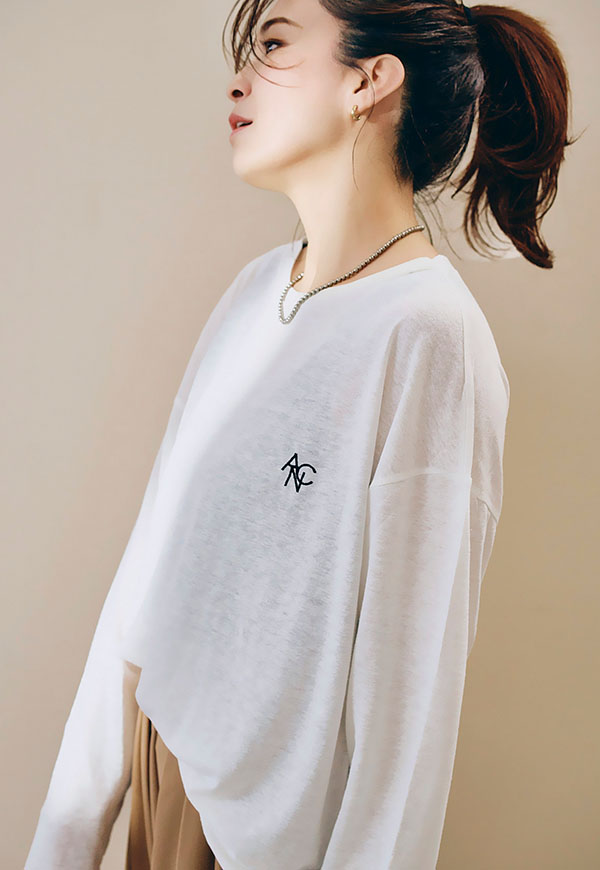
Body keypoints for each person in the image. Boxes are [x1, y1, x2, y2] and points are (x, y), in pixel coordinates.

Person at [25, 1, 574, 868]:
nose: (238, 80)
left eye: (275, 43)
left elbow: (406, 710)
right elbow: (148, 577)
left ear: (369, 80)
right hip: (162, 781)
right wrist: (65, 835)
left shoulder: (429, 337)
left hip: (262, 840)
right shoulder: (256, 291)